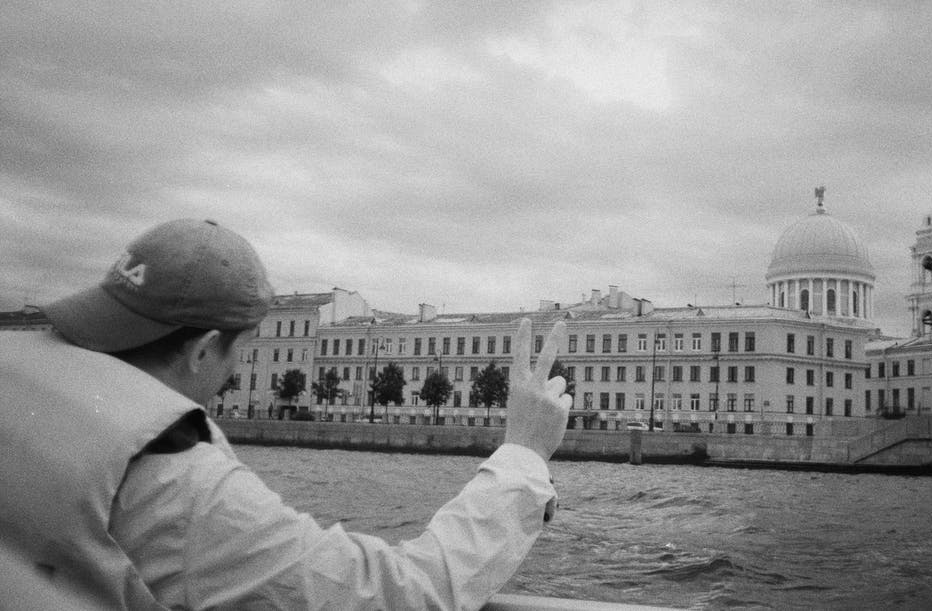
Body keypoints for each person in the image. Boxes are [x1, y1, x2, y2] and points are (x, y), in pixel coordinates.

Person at [0, 218, 572, 610]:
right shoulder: (168, 475)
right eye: (239, 350)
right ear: (203, 350)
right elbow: (400, 597)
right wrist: (523, 454)